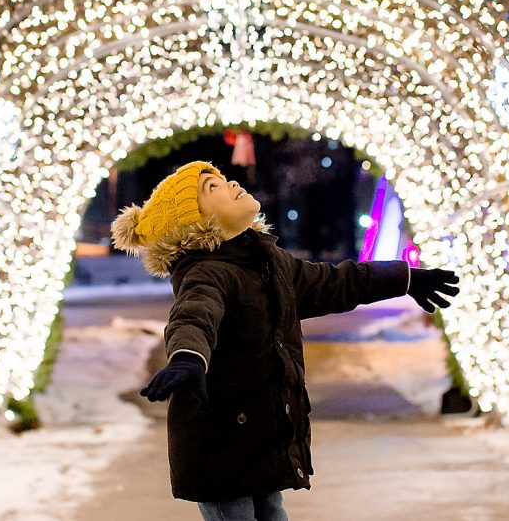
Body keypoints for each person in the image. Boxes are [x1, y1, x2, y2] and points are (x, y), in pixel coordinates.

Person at [111, 160, 460, 521]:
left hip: (260, 437)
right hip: (218, 445)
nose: (228, 183)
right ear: (196, 225)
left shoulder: (269, 263)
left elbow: (335, 282)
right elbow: (195, 315)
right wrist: (187, 357)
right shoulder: (207, 272)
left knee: (273, 513)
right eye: (211, 188)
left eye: (220, 178)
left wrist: (403, 279)